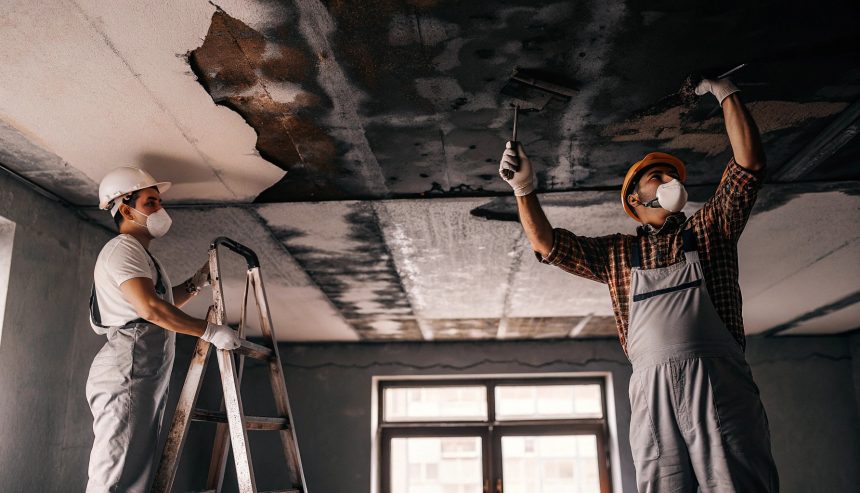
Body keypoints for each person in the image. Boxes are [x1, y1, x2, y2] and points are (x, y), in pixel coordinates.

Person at [498, 77, 779, 491]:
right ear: (633, 199)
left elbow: (747, 167)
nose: (669, 181)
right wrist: (523, 189)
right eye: (658, 176)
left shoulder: (709, 230)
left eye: (671, 174)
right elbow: (549, 245)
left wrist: (726, 93)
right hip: (650, 391)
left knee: (740, 484)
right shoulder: (615, 255)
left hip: (718, 382)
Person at [85, 167, 241, 492]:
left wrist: (195, 284)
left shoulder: (139, 254)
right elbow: (151, 310)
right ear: (126, 209)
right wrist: (210, 332)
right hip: (127, 369)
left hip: (142, 372)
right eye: (151, 202)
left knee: (132, 475)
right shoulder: (123, 248)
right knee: (114, 478)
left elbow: (161, 303)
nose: (160, 211)